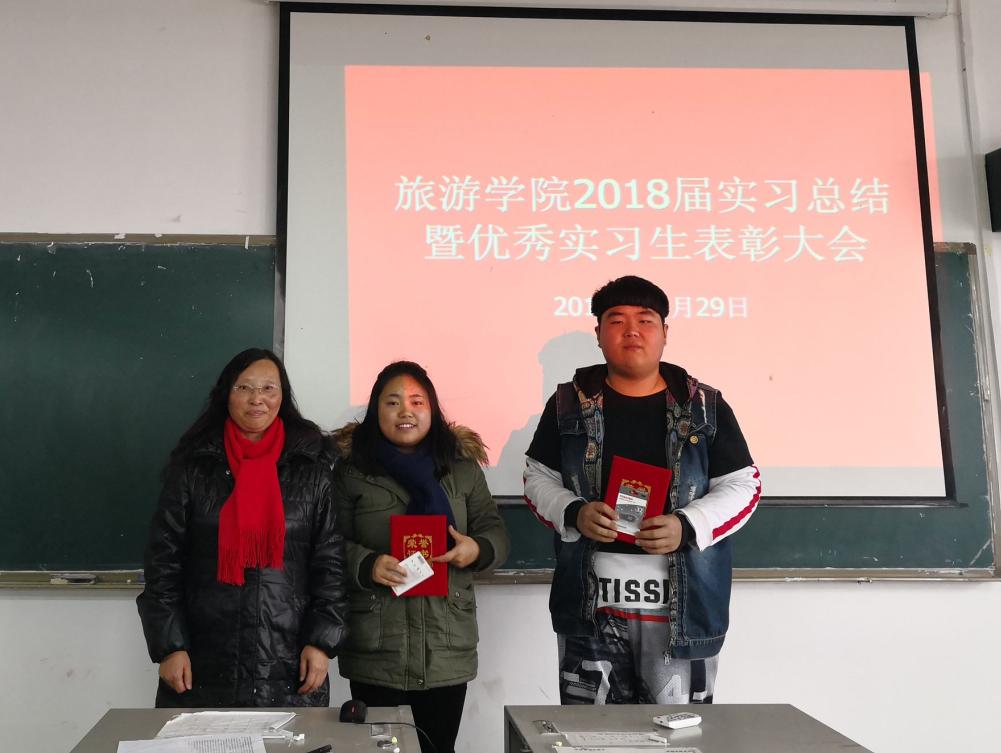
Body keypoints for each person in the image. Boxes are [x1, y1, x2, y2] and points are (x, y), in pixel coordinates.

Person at [524, 276, 761, 706]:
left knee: (678, 733)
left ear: (665, 332)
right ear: (598, 334)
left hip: (682, 607)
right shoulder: (566, 405)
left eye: (645, 320)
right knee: (591, 733)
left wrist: (687, 525)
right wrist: (575, 512)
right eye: (616, 320)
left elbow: (743, 485)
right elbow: (537, 477)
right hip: (591, 603)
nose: (631, 330)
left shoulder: (705, 406)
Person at [137, 348, 348, 707]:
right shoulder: (194, 467)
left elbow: (330, 565)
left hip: (287, 658)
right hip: (203, 659)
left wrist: (321, 641)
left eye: (268, 388)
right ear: (226, 395)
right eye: (244, 388)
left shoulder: (312, 469)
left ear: (283, 396)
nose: (257, 399)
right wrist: (170, 646)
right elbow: (163, 564)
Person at [334, 361, 510, 753]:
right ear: (375, 410)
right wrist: (367, 564)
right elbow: (329, 545)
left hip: (445, 646)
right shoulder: (352, 472)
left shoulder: (461, 469)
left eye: (417, 401)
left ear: (432, 409)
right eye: (392, 402)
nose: (406, 411)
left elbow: (495, 531)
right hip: (378, 647)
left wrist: (477, 548)